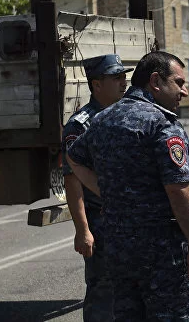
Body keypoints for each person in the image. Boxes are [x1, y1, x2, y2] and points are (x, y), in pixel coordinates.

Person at [67, 51, 189, 321]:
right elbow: (180, 189)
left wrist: (111, 191)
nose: (185, 91)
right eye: (178, 83)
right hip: (164, 254)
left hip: (121, 251)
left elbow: (74, 157)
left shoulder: (104, 119)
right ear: (156, 81)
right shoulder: (161, 123)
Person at [62, 54, 132, 321]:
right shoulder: (81, 126)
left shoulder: (125, 115)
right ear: (97, 84)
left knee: (129, 290)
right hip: (101, 220)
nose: (122, 82)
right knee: (103, 290)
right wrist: (83, 230)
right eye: (115, 78)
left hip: (129, 218)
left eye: (122, 76)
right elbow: (73, 180)